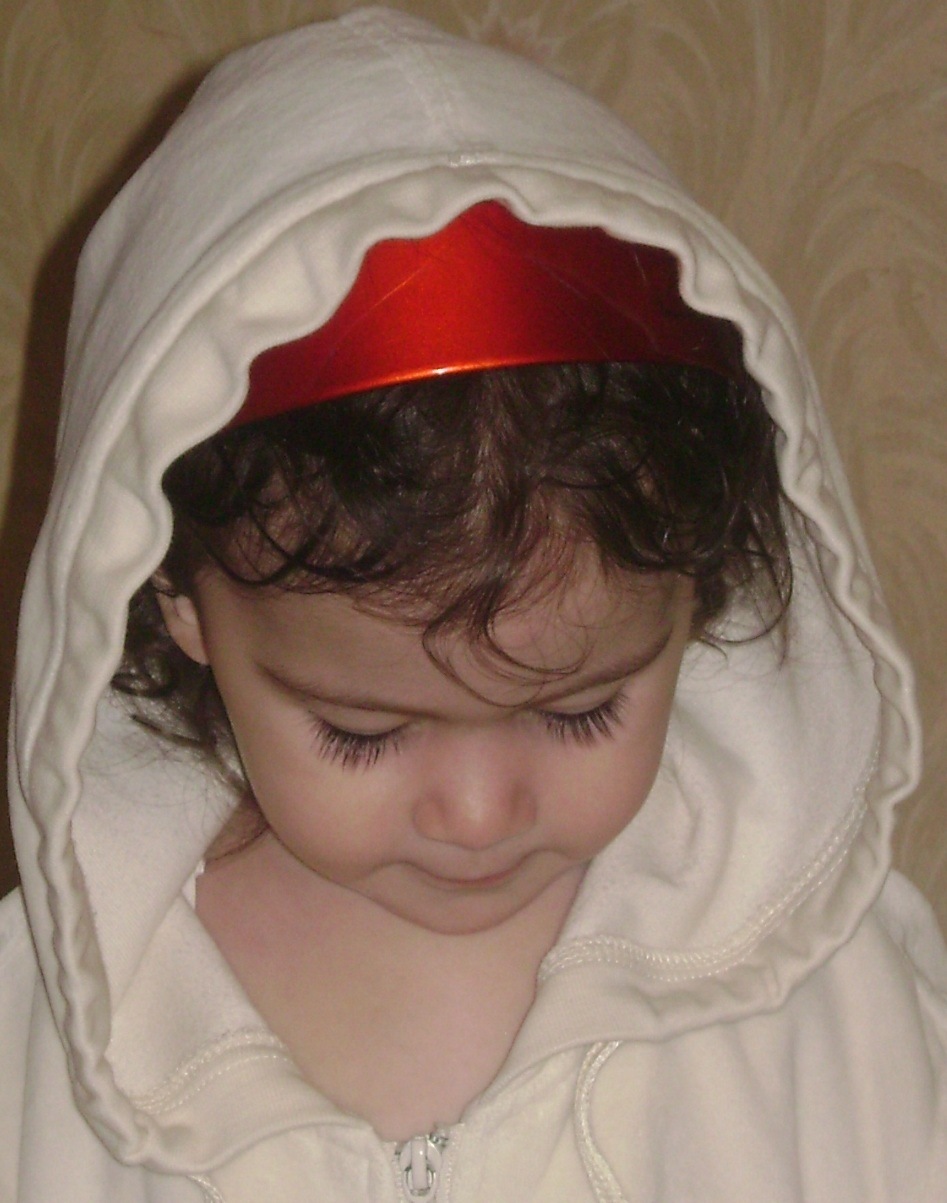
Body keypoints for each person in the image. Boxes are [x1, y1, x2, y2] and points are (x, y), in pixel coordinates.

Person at [1, 8, 944, 1200]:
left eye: (579, 710)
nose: (478, 813)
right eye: (364, 731)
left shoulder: (835, 1008)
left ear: (693, 593)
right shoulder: (43, 1053)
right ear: (175, 597)